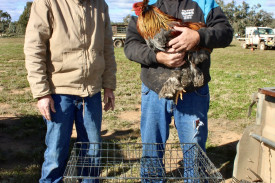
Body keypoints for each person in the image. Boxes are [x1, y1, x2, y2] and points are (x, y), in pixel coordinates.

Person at [124, 0, 233, 181]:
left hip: (193, 90)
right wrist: (157, 56)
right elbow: (130, 46)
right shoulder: (148, 4)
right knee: (152, 146)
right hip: (154, 88)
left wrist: (198, 37)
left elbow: (226, 33)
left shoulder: (204, 2)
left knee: (194, 148)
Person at [24, 0, 116, 182]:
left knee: (92, 150)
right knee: (56, 151)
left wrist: (109, 85)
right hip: (59, 92)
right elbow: (34, 47)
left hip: (92, 92)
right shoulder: (46, 3)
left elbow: (107, 48)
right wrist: (42, 93)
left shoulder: (100, 5)